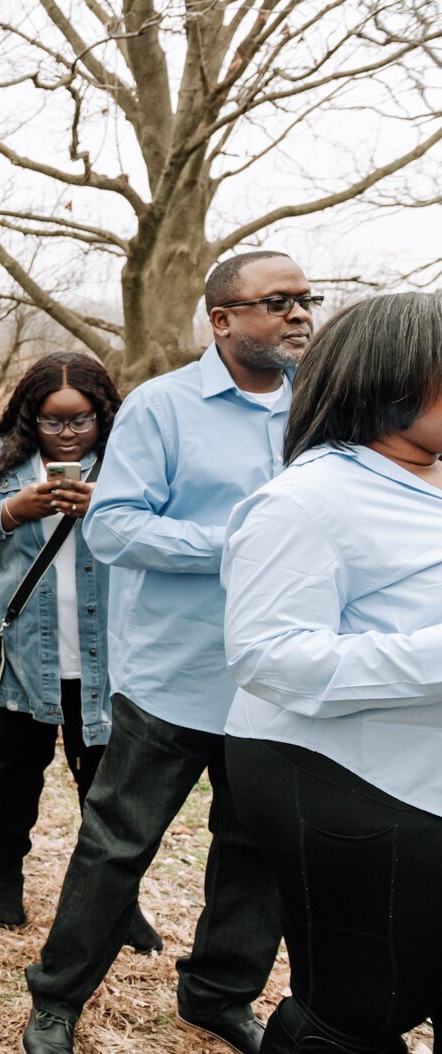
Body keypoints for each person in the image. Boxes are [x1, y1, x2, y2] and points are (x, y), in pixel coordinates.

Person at [20, 251, 318, 1054]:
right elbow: (114, 526)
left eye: (305, 300)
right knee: (116, 845)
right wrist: (240, 546)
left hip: (280, 681)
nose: (299, 315)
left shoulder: (321, 406)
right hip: (175, 677)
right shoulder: (162, 407)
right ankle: (56, 998)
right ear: (222, 319)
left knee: (256, 850)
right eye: (277, 302)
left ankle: (219, 994)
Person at [222, 292, 442, 1054]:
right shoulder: (309, 499)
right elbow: (266, 654)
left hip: (417, 777)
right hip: (352, 786)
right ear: (391, 380)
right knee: (356, 1010)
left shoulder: (423, 476)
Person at [0, 354, 163, 951]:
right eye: (51, 422)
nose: (67, 434)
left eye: (81, 421)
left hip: (106, 663)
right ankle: (6, 875)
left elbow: (162, 536)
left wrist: (111, 509)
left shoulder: (128, 465)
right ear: (28, 417)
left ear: (103, 414)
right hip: (24, 658)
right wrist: (13, 510)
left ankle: (120, 900)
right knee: (14, 777)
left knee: (108, 793)